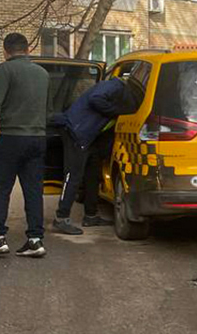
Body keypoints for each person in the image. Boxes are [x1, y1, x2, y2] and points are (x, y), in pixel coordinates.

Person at [0, 33, 50, 258]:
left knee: (0, 189)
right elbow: (49, 109)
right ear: (27, 50)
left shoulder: (6, 69)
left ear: (6, 51)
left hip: (10, 138)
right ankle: (35, 240)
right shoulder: (43, 74)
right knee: (34, 190)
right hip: (37, 139)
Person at [50, 76, 136, 235]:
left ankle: (91, 215)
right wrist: (116, 111)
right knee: (73, 175)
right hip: (76, 132)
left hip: (90, 138)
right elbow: (96, 99)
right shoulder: (114, 86)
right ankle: (61, 218)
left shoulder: (123, 94)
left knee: (93, 175)